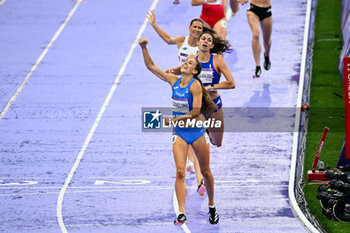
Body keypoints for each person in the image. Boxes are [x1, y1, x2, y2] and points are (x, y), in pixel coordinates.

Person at [139, 37, 220, 225]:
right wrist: (144, 48)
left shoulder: (196, 85)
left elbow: (195, 111)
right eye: (185, 61)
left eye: (190, 62)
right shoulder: (173, 81)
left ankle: (212, 205)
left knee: (206, 172)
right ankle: (182, 212)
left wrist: (175, 119)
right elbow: (152, 67)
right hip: (180, 133)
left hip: (197, 132)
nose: (185, 63)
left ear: (195, 71)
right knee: (180, 172)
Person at [147, 11, 214, 194]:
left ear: (202, 33)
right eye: (195, 27)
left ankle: (200, 175)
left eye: (200, 28)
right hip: (183, 87)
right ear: (190, 28)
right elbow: (167, 39)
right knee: (189, 134)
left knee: (192, 130)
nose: (196, 30)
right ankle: (198, 175)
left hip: (195, 90)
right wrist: (154, 24)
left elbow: (205, 66)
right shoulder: (181, 41)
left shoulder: (201, 50)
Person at [169, 31, 235, 147]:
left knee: (218, 143)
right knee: (191, 140)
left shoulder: (217, 61)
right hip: (196, 106)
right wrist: (173, 70)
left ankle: (207, 131)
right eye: (203, 39)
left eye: (209, 40)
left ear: (212, 46)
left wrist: (211, 87)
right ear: (198, 43)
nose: (206, 41)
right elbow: (182, 69)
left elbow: (231, 83)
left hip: (213, 104)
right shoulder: (191, 58)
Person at [238, 0, 272, 78]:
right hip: (253, 10)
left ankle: (266, 54)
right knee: (255, 35)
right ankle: (258, 66)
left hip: (266, 10)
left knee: (267, 41)